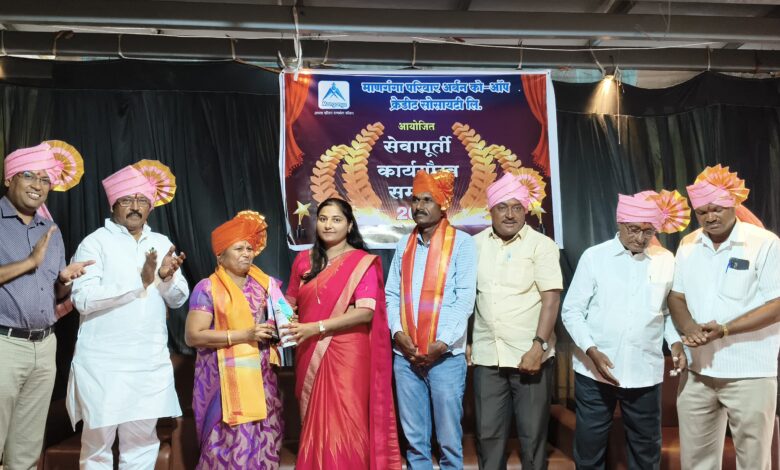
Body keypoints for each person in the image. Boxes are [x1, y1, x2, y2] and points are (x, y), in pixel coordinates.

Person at [68, 160, 189, 469]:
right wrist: (140, 281)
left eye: (142, 200)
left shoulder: (161, 243)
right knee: (97, 448)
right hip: (103, 364)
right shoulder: (95, 243)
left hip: (148, 362)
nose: (135, 207)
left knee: (142, 445)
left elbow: (178, 299)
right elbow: (83, 299)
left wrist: (165, 277)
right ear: (113, 205)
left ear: (150, 207)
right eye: (127, 200)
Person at [561, 189, 691, 470]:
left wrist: (675, 342)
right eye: (634, 229)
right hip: (595, 373)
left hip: (644, 371)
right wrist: (591, 350)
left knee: (646, 451)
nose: (641, 238)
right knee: (589, 450)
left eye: (648, 231)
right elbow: (571, 311)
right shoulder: (594, 257)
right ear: (619, 223)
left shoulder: (666, 261)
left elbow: (667, 312)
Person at [669, 165, 780, 470]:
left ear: (733, 204)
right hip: (698, 372)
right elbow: (676, 296)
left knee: (754, 463)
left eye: (716, 209)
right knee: (696, 463)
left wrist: (726, 329)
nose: (710, 217)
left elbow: (777, 304)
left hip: (750, 373)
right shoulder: (688, 244)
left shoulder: (764, 243)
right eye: (702, 212)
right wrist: (689, 328)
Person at [284, 197, 401, 469]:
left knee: (347, 419)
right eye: (323, 219)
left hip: (348, 352)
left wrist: (317, 327)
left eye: (336, 220)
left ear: (349, 225)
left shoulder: (362, 262)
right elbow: (288, 303)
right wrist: (285, 319)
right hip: (308, 347)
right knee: (315, 421)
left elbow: (365, 312)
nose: (328, 225)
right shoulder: (303, 260)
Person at [0, 143, 92, 469]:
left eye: (44, 179)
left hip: (44, 345)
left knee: (26, 450)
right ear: (9, 178)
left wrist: (64, 281)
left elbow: (53, 293)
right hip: (5, 344)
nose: (37, 185)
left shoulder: (50, 230)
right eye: (29, 176)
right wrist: (30, 262)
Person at [471, 170, 562, 470]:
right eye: (502, 207)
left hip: (530, 356)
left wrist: (538, 347)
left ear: (526, 210)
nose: (510, 215)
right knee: (487, 437)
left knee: (533, 440)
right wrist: (468, 341)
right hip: (488, 355)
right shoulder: (474, 245)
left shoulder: (541, 245)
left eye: (517, 208)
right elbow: (468, 298)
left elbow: (551, 299)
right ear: (490, 210)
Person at [386, 170, 477, 470]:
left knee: (449, 441)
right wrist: (398, 334)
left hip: (445, 357)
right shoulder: (403, 245)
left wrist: (441, 343)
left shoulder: (462, 244)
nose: (419, 206)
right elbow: (391, 294)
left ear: (442, 205)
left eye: (427, 200)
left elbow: (465, 299)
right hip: (406, 357)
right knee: (415, 441)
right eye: (415, 200)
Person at [184, 210, 284, 469]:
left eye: (249, 248)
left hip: (263, 380)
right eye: (238, 248)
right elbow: (193, 335)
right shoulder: (207, 288)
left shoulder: (265, 286)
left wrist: (282, 325)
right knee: (227, 444)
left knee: (262, 441)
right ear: (220, 255)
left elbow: (282, 321)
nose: (246, 254)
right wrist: (244, 335)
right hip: (222, 382)